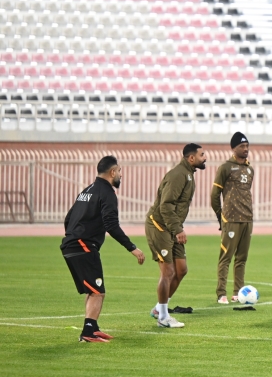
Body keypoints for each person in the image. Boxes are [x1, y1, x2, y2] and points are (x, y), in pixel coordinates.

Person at [61, 155, 145, 342]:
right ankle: (88, 333)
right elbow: (111, 225)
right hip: (83, 246)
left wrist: (73, 237)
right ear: (112, 172)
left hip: (72, 244)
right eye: (120, 171)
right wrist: (132, 248)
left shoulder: (87, 190)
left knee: (94, 290)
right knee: (98, 291)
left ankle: (92, 327)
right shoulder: (107, 193)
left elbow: (68, 218)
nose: (121, 175)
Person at [146, 143, 206, 328]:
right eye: (202, 155)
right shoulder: (178, 174)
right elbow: (166, 205)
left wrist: (177, 228)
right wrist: (178, 229)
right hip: (160, 226)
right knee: (168, 272)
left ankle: (158, 308)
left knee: (181, 270)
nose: (205, 158)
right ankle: (163, 317)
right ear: (191, 158)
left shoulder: (188, 174)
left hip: (172, 227)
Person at [212, 132, 254, 304]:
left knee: (242, 258)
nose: (245, 149)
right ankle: (221, 293)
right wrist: (220, 217)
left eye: (247, 146)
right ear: (233, 148)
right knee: (226, 257)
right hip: (231, 219)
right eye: (242, 146)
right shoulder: (225, 168)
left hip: (247, 218)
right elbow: (215, 195)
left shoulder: (250, 169)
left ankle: (238, 293)